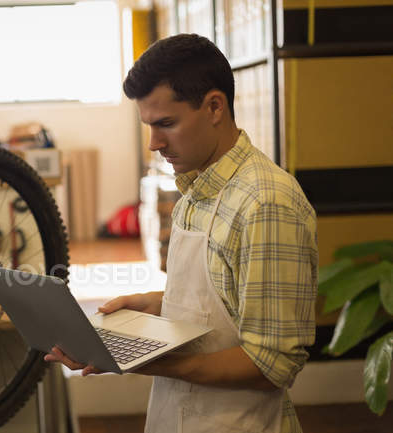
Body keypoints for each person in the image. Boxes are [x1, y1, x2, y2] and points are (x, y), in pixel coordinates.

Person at [44, 34, 318, 433]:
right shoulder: (194, 189)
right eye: (148, 126)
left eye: (166, 124)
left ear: (214, 107)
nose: (154, 143)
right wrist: (155, 304)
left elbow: (272, 362)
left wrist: (145, 361)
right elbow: (226, 298)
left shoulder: (267, 203)